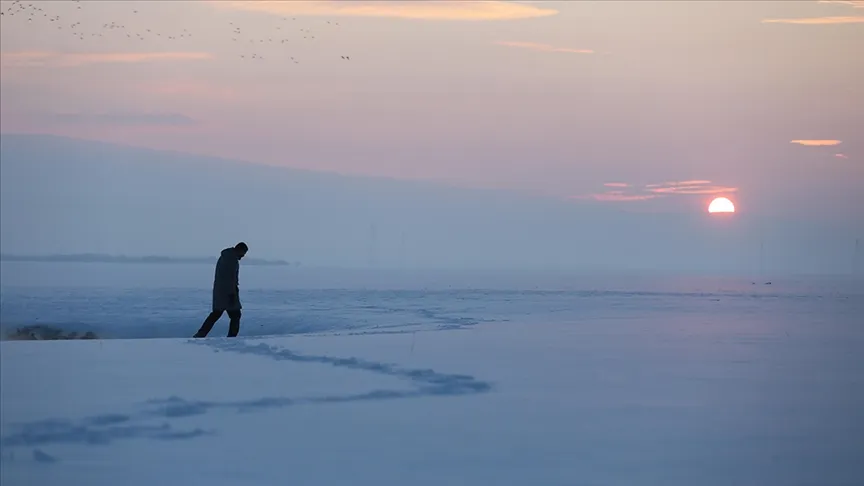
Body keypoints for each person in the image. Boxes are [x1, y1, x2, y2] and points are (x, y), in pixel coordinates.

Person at [193, 242, 248, 338]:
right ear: (239, 250)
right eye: (243, 253)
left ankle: (200, 334)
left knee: (216, 314)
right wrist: (232, 294)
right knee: (235, 315)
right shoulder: (231, 260)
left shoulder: (226, 257)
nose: (243, 256)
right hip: (228, 293)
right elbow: (230, 279)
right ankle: (231, 338)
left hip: (221, 292)